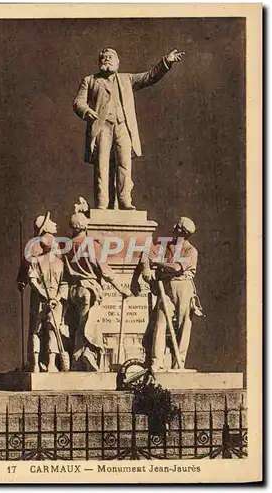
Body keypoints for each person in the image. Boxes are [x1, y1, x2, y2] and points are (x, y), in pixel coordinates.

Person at [73, 47, 185, 210]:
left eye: (110, 57)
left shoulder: (127, 79)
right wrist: (86, 110)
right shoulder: (90, 80)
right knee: (102, 165)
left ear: (118, 63)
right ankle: (102, 203)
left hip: (123, 126)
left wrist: (166, 61)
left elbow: (149, 76)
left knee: (124, 164)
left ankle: (125, 200)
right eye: (104, 58)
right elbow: (78, 102)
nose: (107, 60)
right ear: (99, 62)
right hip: (102, 127)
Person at [64, 209, 131, 371]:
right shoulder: (91, 245)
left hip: (74, 290)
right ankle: (88, 353)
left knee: (80, 323)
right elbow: (105, 270)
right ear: (85, 226)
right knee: (90, 323)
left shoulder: (67, 245)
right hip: (90, 290)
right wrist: (121, 288)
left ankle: (78, 358)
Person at [141, 217, 202, 371]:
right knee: (161, 321)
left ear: (183, 231)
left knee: (183, 325)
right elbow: (147, 251)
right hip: (166, 287)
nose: (173, 226)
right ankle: (157, 361)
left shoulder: (190, 251)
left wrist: (158, 263)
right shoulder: (167, 245)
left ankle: (178, 362)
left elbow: (176, 268)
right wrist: (146, 267)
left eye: (177, 225)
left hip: (183, 288)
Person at [17, 211, 69, 373]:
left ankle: (41, 363)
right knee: (45, 329)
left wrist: (22, 281)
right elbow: (28, 270)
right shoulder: (35, 246)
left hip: (45, 295)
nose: (54, 223)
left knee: (40, 329)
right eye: (50, 221)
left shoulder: (52, 247)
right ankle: (42, 363)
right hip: (45, 296)